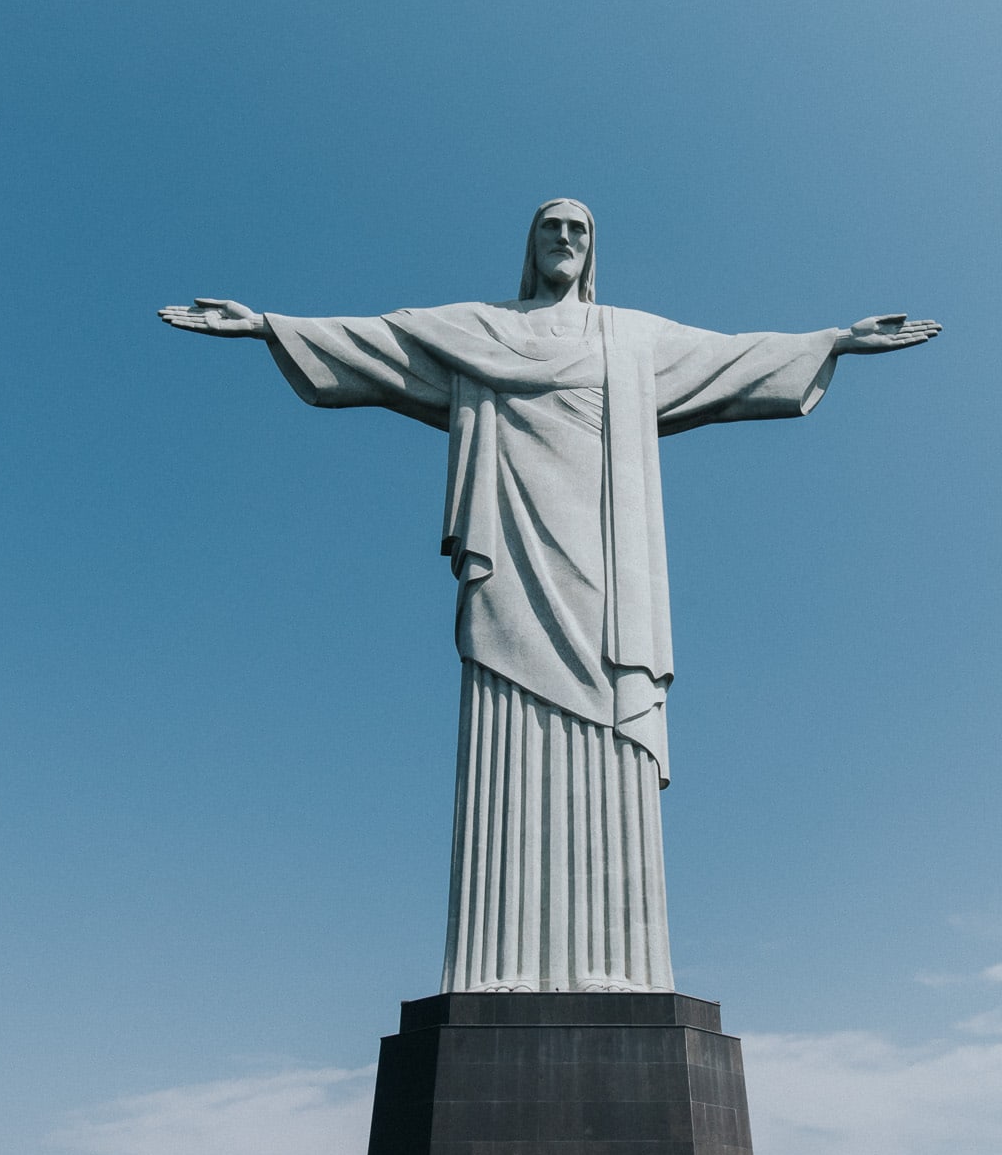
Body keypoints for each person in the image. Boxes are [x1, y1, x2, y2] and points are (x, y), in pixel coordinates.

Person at [161, 198, 937, 992]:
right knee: (507, 722)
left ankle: (624, 967)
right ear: (530, 246)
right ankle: (494, 964)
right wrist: (265, 325)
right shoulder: (478, 330)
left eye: (579, 230)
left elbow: (732, 357)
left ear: (592, 249)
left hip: (607, 559)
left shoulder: (631, 337)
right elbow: (378, 340)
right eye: (550, 228)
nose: (564, 239)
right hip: (512, 550)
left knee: (608, 721)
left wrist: (835, 339)